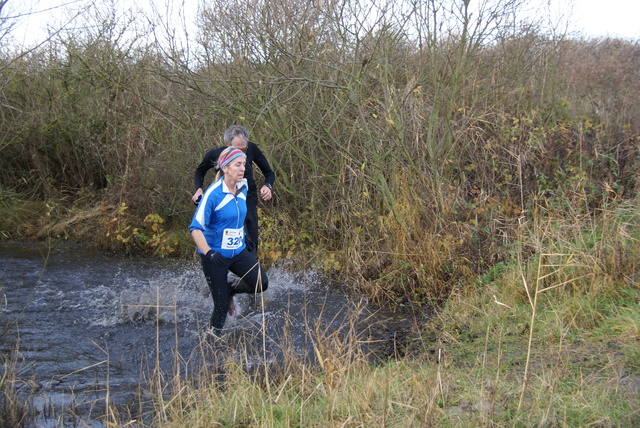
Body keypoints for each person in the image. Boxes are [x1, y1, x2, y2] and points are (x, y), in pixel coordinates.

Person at [190, 147, 269, 338]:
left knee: (260, 283)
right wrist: (209, 253)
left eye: (244, 164)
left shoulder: (243, 187)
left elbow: (237, 217)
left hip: (238, 251)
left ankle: (230, 290)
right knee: (221, 306)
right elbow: (195, 228)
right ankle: (211, 342)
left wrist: (246, 237)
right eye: (238, 165)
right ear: (225, 168)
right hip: (215, 256)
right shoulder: (213, 194)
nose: (243, 169)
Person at [192, 125, 275, 253]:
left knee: (251, 237)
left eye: (244, 149)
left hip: (247, 195)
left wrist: (267, 186)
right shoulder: (215, 154)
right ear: (226, 144)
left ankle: (251, 267)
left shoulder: (252, 148)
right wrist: (198, 189)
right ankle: (218, 261)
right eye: (236, 149)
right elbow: (199, 172)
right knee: (226, 232)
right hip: (224, 197)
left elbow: (269, 173)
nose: (241, 154)